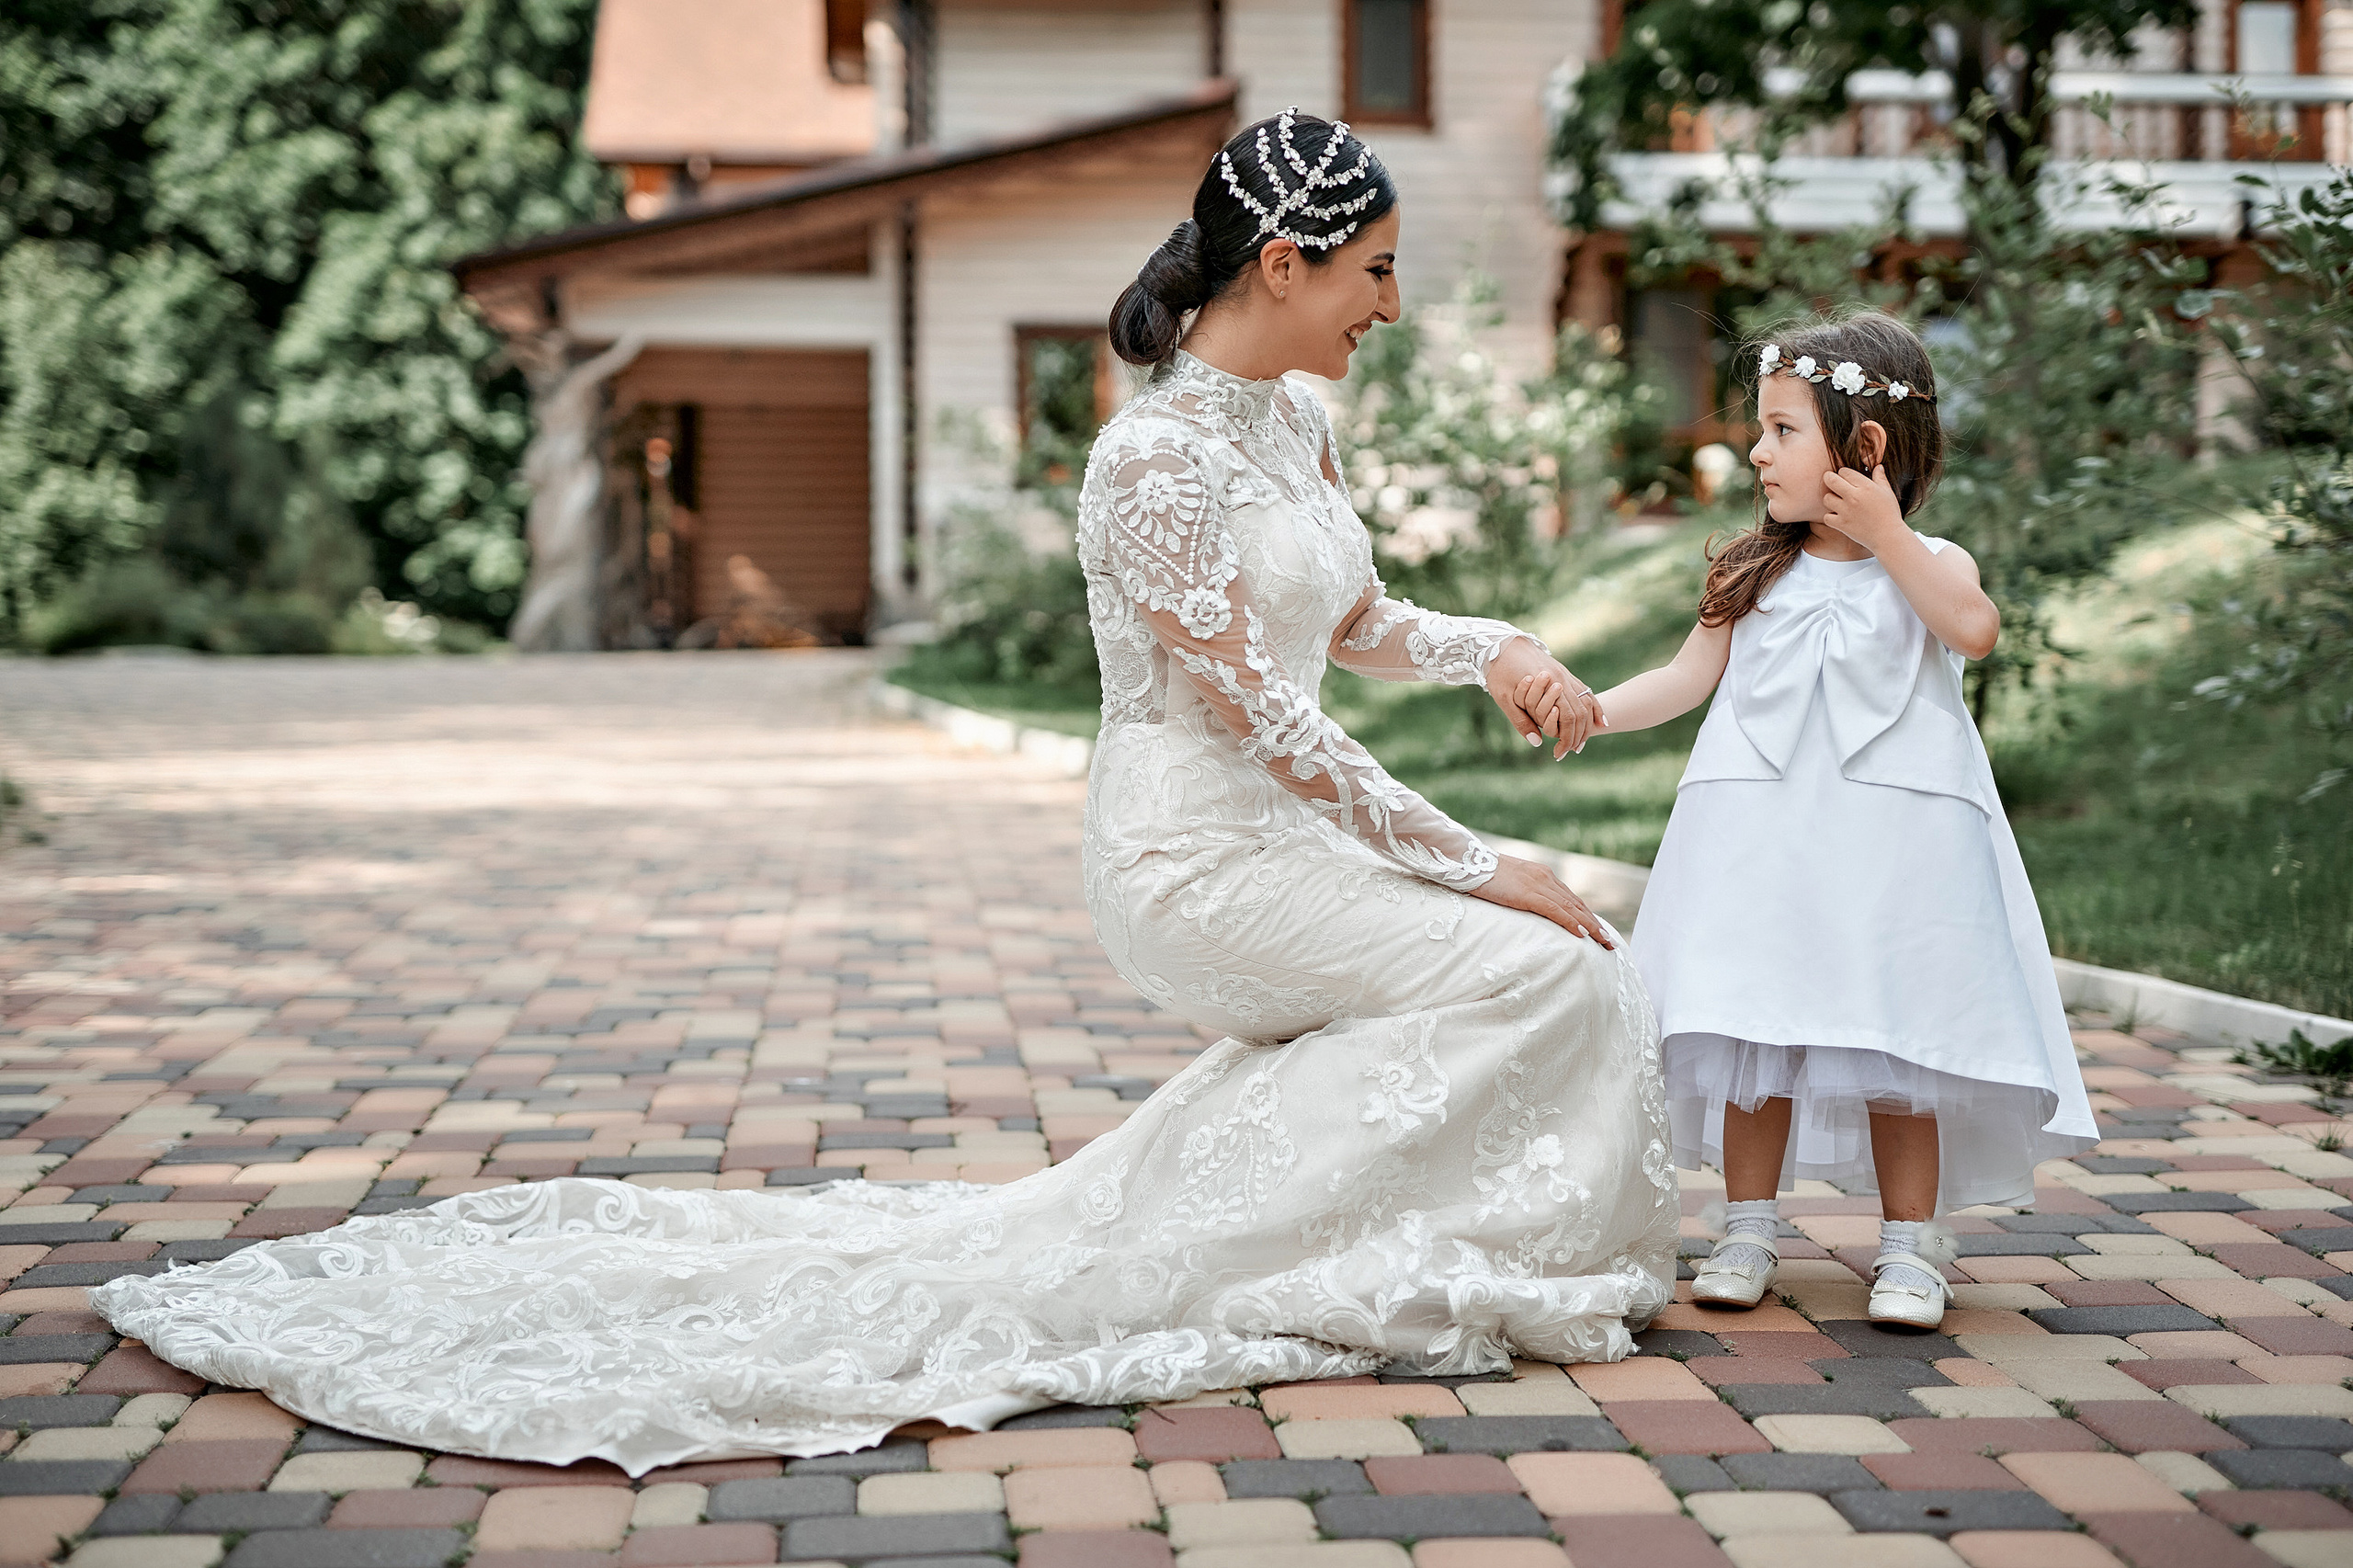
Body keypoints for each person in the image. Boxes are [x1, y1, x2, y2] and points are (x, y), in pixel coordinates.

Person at [91, 111, 1677, 1472]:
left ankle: (1286, 1227)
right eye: (1377, 271)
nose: (1391, 306)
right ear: (1286, 266)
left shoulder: (1293, 421)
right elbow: (1264, 717)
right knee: (1537, 964)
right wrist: (1480, 862)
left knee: (1554, 975)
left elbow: (1348, 627)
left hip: (1289, 831)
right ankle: (1309, 1251)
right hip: (1193, 859)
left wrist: (1494, 649)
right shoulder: (1153, 463)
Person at [1519, 310, 2096, 1330]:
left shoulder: (1930, 562)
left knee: (1895, 1033)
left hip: (1892, 849)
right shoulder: (1753, 572)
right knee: (1756, 1020)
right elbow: (1685, 678)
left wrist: (1886, 533)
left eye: (1782, 428)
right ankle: (1746, 1224)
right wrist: (1594, 711)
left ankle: (1912, 1244)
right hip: (1761, 838)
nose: (1755, 449)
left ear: (1863, 448)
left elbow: (1973, 627)